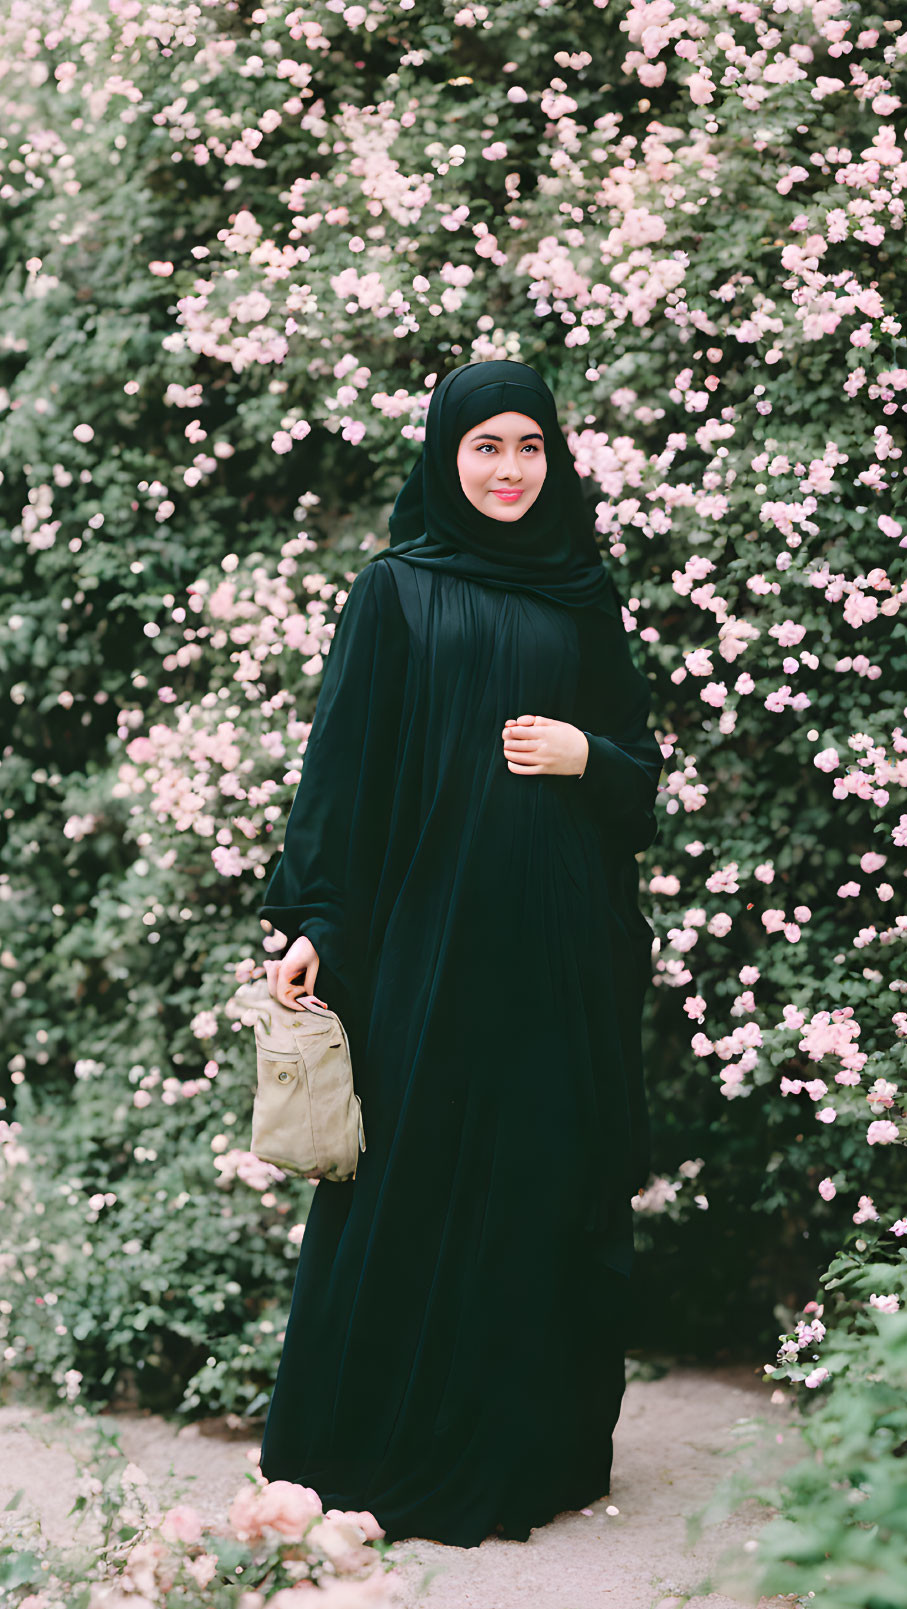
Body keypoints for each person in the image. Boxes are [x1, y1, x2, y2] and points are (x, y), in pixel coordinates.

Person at [256, 358, 667, 1547]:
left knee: (539, 1179)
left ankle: (525, 1452)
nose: (506, 469)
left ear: (555, 458)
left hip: (555, 951)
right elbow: (341, 773)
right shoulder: (395, 591)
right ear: (446, 455)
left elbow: (639, 774)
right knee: (413, 1177)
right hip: (424, 954)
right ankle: (369, 1448)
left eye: (528, 447)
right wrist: (315, 925)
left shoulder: (579, 593)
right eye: (484, 446)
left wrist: (587, 754)